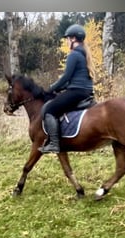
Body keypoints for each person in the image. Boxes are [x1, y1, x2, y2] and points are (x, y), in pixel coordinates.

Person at [39, 24, 95, 154]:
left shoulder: (74, 55)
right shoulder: (83, 53)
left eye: (68, 39)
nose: (67, 41)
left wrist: (51, 88)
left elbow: (66, 77)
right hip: (83, 91)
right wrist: (61, 88)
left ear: (74, 39)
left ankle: (54, 144)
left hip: (77, 92)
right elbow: (73, 79)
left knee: (49, 109)